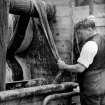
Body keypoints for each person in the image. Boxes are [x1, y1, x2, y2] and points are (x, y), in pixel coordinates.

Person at [57, 16, 105, 105]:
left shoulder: (90, 44)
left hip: (91, 88)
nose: (80, 36)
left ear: (89, 30)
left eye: (80, 33)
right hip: (102, 85)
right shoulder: (102, 39)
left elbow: (80, 68)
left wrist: (64, 66)